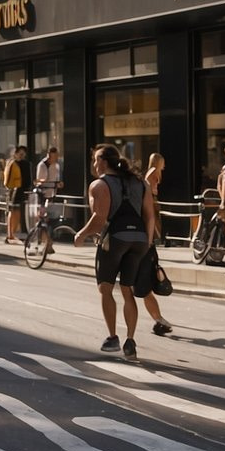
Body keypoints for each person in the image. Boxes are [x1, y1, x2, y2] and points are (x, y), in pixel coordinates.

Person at [73, 144, 157, 360]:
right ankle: (130, 340)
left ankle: (112, 338)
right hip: (139, 239)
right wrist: (147, 243)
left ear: (102, 161)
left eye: (94, 160)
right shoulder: (141, 182)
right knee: (128, 289)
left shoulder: (99, 185)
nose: (93, 164)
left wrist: (81, 234)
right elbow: (150, 216)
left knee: (106, 288)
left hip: (115, 239)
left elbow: (99, 218)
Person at [143, 152, 173, 336]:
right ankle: (158, 319)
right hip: (152, 208)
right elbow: (150, 190)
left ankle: (158, 319)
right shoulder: (153, 172)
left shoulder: (151, 172)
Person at [3, 146, 29, 244]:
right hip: (14, 190)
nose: (22, 156)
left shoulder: (20, 164)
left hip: (19, 190)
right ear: (16, 153)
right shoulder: (12, 164)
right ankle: (10, 234)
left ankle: (12, 233)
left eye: (23, 154)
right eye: (20, 154)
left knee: (16, 212)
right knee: (13, 211)